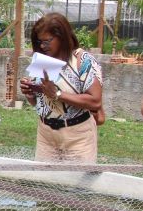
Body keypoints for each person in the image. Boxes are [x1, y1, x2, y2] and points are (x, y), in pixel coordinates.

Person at [19, 12, 102, 162]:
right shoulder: (43, 60)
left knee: (76, 178)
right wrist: (30, 94)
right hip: (46, 135)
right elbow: (41, 104)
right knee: (45, 177)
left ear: (62, 36)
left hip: (77, 137)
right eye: (39, 42)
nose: (42, 46)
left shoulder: (82, 60)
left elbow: (95, 101)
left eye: (47, 41)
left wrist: (57, 94)